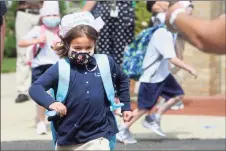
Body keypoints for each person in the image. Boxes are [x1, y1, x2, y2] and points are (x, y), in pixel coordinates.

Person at [29, 11, 133, 150]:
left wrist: (126, 105)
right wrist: (51, 103)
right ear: (67, 45)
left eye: (88, 47)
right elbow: (35, 88)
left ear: (94, 44)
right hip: (68, 136)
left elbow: (123, 79)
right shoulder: (60, 68)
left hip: (100, 134)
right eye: (77, 48)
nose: (83, 52)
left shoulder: (105, 62)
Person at [116, 10, 197, 144]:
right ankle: (123, 129)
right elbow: (171, 58)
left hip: (163, 75)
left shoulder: (171, 33)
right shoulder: (162, 33)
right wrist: (189, 68)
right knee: (143, 107)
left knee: (177, 95)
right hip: (151, 78)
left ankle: (153, 118)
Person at [18, 1, 61, 135]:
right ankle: (41, 121)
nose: (52, 17)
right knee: (41, 94)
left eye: (55, 14)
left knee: (58, 94)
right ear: (42, 17)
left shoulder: (62, 31)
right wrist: (36, 41)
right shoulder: (38, 30)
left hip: (57, 66)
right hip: (40, 66)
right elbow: (21, 42)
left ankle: (59, 118)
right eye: (49, 15)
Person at [82, 1, 135, 65]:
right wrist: (82, 15)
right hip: (103, 9)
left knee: (123, 47)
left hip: (124, 10)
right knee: (102, 45)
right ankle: (104, 69)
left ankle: (120, 71)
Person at [15, 1, 42, 103]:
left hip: (42, 13)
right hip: (24, 13)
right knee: (22, 53)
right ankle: (23, 91)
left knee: (46, 52)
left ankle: (44, 87)